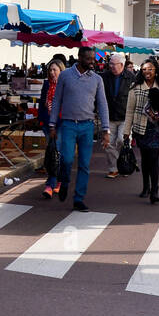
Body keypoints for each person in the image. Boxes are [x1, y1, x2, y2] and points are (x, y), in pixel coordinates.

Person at [48, 46, 110, 212]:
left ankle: (78, 199)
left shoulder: (97, 79)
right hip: (68, 124)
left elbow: (103, 105)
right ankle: (65, 181)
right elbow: (57, 101)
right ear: (80, 57)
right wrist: (52, 124)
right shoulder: (66, 75)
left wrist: (106, 130)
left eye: (93, 59)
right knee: (66, 159)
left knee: (84, 164)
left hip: (87, 126)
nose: (92, 62)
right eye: (89, 59)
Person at [121, 58, 159, 204]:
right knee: (145, 159)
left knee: (154, 159)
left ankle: (154, 190)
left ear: (156, 71)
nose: (147, 72)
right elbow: (129, 111)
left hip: (157, 129)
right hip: (141, 129)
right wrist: (126, 131)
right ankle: (146, 187)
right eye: (144, 69)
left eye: (150, 69)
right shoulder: (135, 88)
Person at [101, 53, 136, 179]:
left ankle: (124, 164)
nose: (111, 66)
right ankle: (113, 168)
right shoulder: (104, 77)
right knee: (108, 143)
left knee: (122, 140)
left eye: (113, 64)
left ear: (121, 65)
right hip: (109, 116)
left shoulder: (131, 77)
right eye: (110, 64)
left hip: (125, 117)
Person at [39, 59, 64, 198]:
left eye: (55, 70)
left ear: (61, 71)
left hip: (61, 124)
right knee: (51, 153)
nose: (52, 72)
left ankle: (50, 184)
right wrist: (42, 121)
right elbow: (43, 102)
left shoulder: (65, 85)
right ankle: (59, 180)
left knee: (56, 152)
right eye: (50, 70)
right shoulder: (47, 84)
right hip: (48, 123)